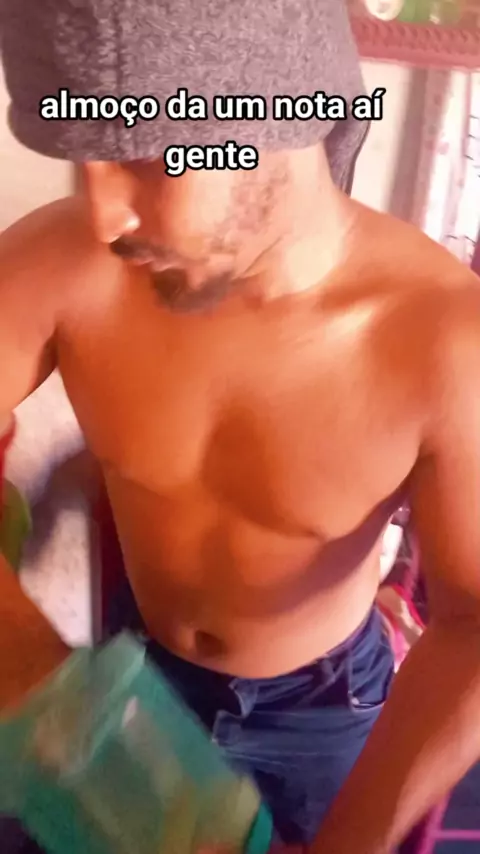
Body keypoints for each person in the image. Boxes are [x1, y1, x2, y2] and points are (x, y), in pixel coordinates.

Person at [0, 1, 480, 852]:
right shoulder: (67, 268)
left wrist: (354, 842)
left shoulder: (443, 344)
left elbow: (474, 621)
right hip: (134, 670)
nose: (104, 215)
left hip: (322, 708)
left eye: (149, 156)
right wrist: (31, 663)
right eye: (83, 154)